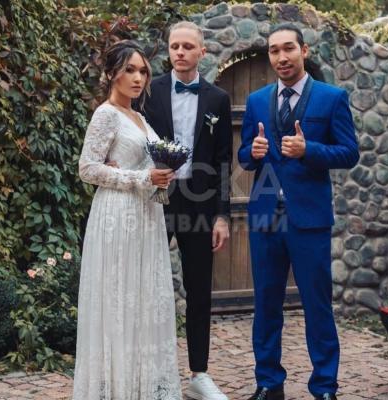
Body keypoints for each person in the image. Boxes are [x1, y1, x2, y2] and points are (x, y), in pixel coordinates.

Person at [238, 23, 359, 400]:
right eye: (274, 50)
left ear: (303, 51)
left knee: (317, 306)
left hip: (310, 219)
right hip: (265, 218)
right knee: (266, 305)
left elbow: (349, 153)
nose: (281, 57)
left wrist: (310, 150)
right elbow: (244, 156)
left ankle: (324, 386)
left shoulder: (332, 97)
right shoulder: (256, 100)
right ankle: (268, 383)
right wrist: (252, 153)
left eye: (288, 48)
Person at [73, 40, 181, 400]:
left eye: (143, 71)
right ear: (111, 74)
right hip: (117, 215)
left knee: (143, 300)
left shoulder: (140, 117)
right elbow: (87, 168)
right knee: (119, 299)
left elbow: (145, 167)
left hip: (147, 216)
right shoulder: (106, 114)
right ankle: (115, 390)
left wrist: (161, 176)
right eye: (129, 70)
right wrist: (139, 178)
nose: (138, 78)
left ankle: (140, 386)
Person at [144, 21, 233, 400]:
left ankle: (199, 375)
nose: (179, 52)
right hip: (154, 200)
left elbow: (224, 160)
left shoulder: (218, 99)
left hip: (199, 204)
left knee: (199, 291)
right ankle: (147, 371)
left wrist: (223, 215)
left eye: (187, 46)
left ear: (202, 52)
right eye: (174, 46)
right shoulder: (149, 91)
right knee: (145, 285)